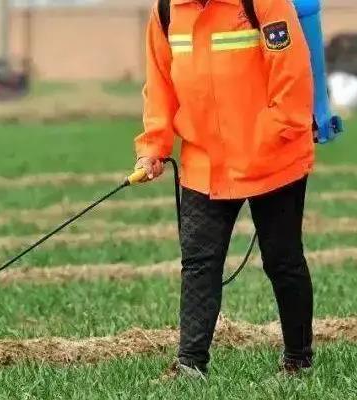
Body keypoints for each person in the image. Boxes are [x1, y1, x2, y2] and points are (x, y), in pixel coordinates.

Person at [134, 0, 315, 377]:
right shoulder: (167, 9)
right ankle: (190, 364)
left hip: (272, 155)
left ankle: (298, 360)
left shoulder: (263, 3)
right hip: (205, 162)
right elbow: (160, 84)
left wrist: (273, 135)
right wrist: (153, 148)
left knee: (283, 260)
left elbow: (292, 74)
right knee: (199, 262)